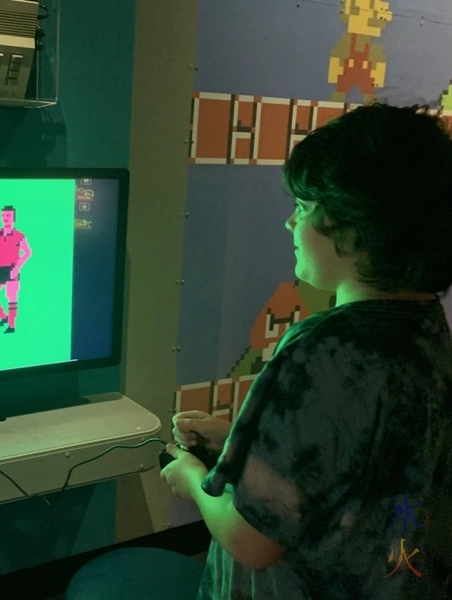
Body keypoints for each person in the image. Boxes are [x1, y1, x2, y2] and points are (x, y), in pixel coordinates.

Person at [68, 103, 452, 599]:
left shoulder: (323, 350)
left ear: (359, 229)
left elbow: (252, 541)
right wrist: (240, 442)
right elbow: (357, 463)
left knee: (102, 582)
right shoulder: (427, 331)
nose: (290, 225)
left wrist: (194, 479)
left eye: (306, 206)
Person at [0, 206, 32, 334]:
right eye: (4, 216)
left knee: (11, 298)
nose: (6, 219)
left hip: (12, 269)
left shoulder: (18, 235)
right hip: (0, 270)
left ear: (13, 218)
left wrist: (16, 268)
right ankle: (4, 317)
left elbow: (27, 252)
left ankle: (11, 326)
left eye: (9, 216)